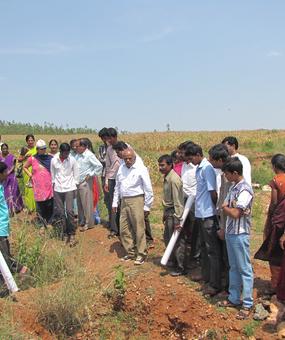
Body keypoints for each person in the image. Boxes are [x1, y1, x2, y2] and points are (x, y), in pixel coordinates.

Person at [187, 143, 222, 296]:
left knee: (212, 251)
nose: (189, 162)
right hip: (201, 213)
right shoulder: (199, 168)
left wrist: (215, 211)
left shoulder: (207, 169)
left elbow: (213, 192)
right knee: (204, 248)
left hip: (208, 213)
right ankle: (207, 276)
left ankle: (215, 284)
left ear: (197, 154)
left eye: (190, 158)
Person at [221, 157, 254, 319]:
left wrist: (226, 207)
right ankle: (234, 298)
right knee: (233, 267)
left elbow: (235, 213)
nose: (225, 177)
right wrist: (228, 207)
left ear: (235, 173)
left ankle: (247, 303)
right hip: (231, 232)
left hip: (240, 234)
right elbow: (228, 207)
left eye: (227, 174)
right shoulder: (233, 187)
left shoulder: (245, 190)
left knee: (244, 268)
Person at [112, 149, 153, 265]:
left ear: (134, 158)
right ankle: (130, 252)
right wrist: (115, 202)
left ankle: (141, 254)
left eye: (130, 158)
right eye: (126, 159)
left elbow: (148, 189)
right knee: (124, 228)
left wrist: (147, 206)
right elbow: (117, 186)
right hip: (124, 200)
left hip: (137, 199)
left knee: (138, 228)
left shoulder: (141, 169)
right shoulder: (121, 168)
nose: (128, 160)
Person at [254, 154, 285, 296]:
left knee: (274, 253)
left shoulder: (276, 181)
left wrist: (270, 218)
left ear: (274, 166)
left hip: (279, 222)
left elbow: (274, 202)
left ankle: (275, 285)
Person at [0, 161, 28, 297]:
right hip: (2, 225)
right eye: (5, 172)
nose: (7, 174)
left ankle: (22, 269)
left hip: (1, 226)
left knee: (4, 257)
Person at [208, 143, 231, 290]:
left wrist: (223, 227)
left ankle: (230, 288)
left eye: (212, 159)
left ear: (220, 159)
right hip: (223, 220)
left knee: (229, 258)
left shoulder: (229, 177)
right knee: (225, 255)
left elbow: (227, 204)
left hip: (228, 224)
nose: (210, 162)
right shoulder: (224, 175)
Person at [158, 154, 185, 276]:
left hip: (174, 213)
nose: (160, 167)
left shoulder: (173, 179)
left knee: (176, 241)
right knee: (168, 238)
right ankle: (173, 261)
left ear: (170, 165)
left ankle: (180, 266)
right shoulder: (168, 177)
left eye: (163, 165)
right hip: (169, 212)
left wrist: (178, 218)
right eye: (159, 165)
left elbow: (178, 201)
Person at [51, 143, 79, 247]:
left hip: (70, 188)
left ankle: (72, 234)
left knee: (70, 211)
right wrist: (53, 186)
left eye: (68, 153)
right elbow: (53, 174)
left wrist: (75, 188)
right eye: (64, 153)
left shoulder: (72, 160)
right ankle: (64, 233)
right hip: (58, 188)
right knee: (61, 212)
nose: (66, 155)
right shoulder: (54, 160)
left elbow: (76, 175)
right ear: (60, 151)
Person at [23, 140, 53, 228]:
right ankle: (41, 224)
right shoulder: (32, 158)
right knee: (40, 205)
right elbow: (25, 167)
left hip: (48, 185)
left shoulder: (50, 158)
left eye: (44, 148)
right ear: (37, 149)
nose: (43, 150)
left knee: (49, 204)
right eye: (41, 149)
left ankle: (49, 222)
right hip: (38, 186)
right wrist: (31, 175)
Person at [75, 139, 102, 231]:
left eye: (77, 146)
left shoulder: (89, 155)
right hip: (78, 182)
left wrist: (90, 174)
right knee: (80, 203)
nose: (76, 148)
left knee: (87, 203)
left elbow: (99, 166)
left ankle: (89, 223)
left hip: (85, 182)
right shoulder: (78, 155)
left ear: (83, 146)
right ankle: (82, 220)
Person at [104, 128, 121, 237]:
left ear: (115, 137)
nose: (109, 140)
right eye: (107, 138)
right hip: (111, 179)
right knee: (112, 204)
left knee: (121, 204)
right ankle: (114, 229)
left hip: (122, 179)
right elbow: (108, 166)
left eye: (110, 138)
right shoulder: (109, 149)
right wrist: (106, 181)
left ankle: (123, 228)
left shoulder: (125, 146)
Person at [0, 144, 23, 215]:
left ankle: (16, 208)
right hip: (3, 178)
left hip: (11, 177)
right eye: (3, 149)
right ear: (1, 149)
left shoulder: (11, 156)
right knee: (5, 192)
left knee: (13, 192)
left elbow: (13, 165)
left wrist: (9, 172)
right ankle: (7, 208)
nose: (5, 150)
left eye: (6, 148)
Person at [23, 134, 37, 212]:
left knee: (35, 188)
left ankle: (35, 206)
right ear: (26, 141)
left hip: (35, 170)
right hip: (27, 170)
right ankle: (29, 207)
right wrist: (25, 157)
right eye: (29, 140)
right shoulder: (24, 149)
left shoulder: (37, 149)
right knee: (28, 189)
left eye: (32, 140)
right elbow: (19, 159)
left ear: (34, 141)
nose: (30, 142)